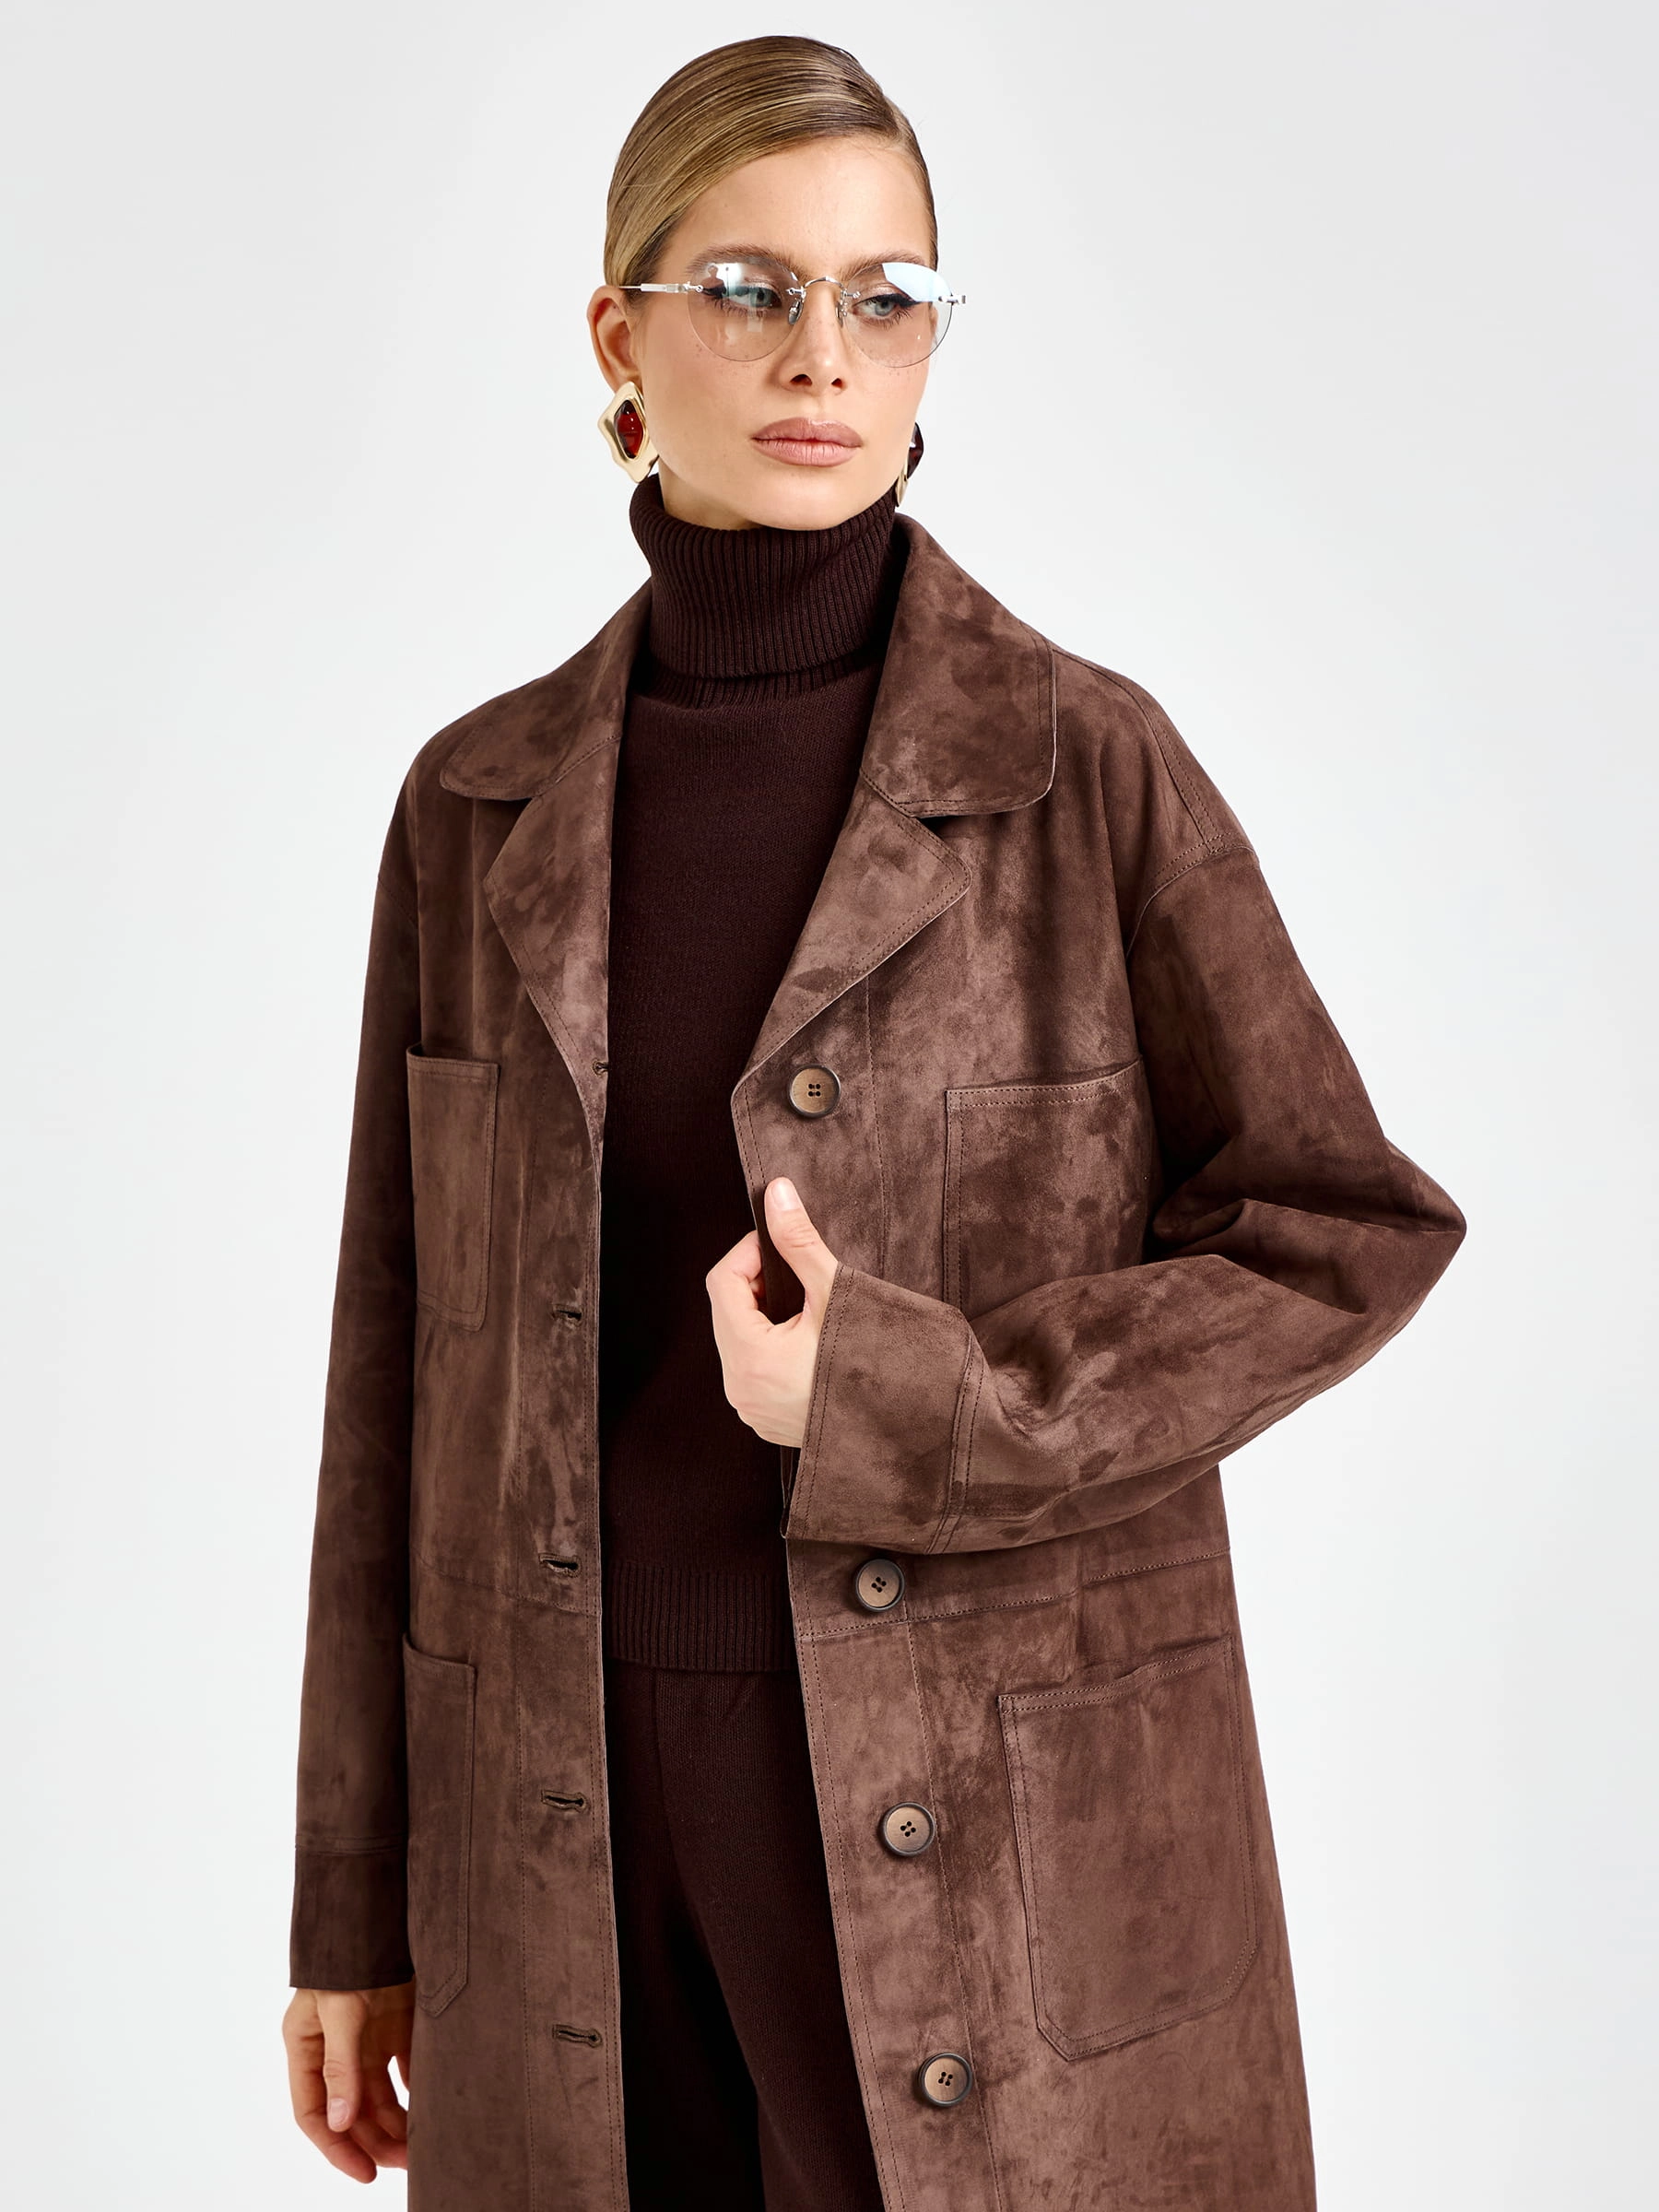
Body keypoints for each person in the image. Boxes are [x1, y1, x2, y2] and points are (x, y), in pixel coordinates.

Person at [281, 34, 1465, 2211]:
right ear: (619, 338)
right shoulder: (477, 807)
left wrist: (911, 1395)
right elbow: (389, 1375)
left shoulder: (1085, 768)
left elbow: (1342, 1231)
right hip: (558, 1824)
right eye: (748, 289)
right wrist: (351, 1907)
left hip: (996, 1827)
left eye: (885, 293)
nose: (824, 353)